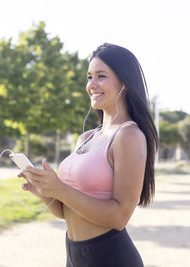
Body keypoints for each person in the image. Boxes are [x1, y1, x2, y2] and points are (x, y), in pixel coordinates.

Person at [18, 43, 158, 267]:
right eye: (89, 76)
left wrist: (61, 189)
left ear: (125, 83)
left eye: (101, 76)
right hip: (74, 255)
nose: (92, 85)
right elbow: (66, 212)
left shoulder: (128, 136)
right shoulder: (87, 137)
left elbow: (119, 217)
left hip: (109, 257)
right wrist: (46, 192)